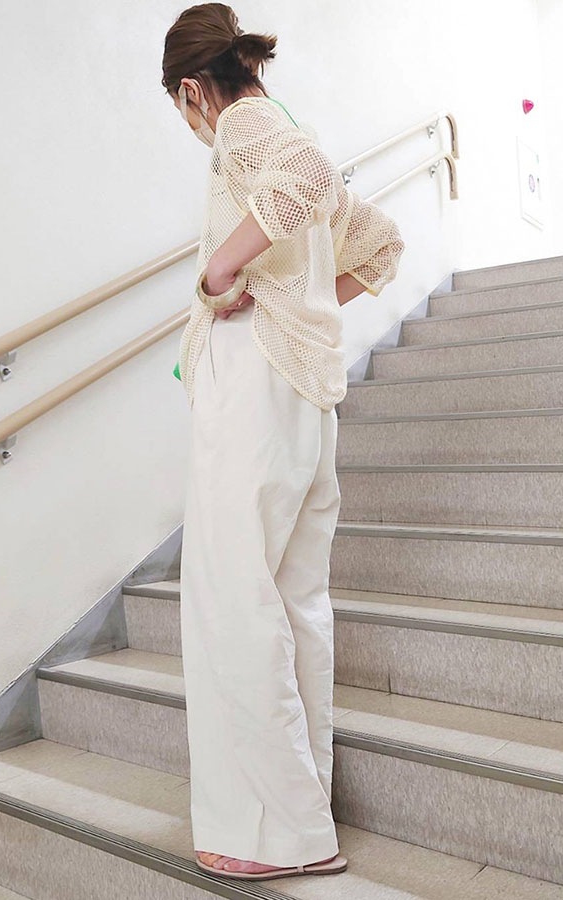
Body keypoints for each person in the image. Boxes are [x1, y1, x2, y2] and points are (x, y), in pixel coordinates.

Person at [162, 2, 405, 883]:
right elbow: (381, 244)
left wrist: (221, 269)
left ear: (192, 90)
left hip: (255, 389)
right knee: (295, 601)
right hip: (301, 395)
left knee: (233, 599)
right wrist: (297, 300)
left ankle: (268, 834)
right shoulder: (280, 123)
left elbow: (303, 172)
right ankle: (303, 824)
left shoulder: (246, 126)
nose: (190, 124)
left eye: (182, 108)